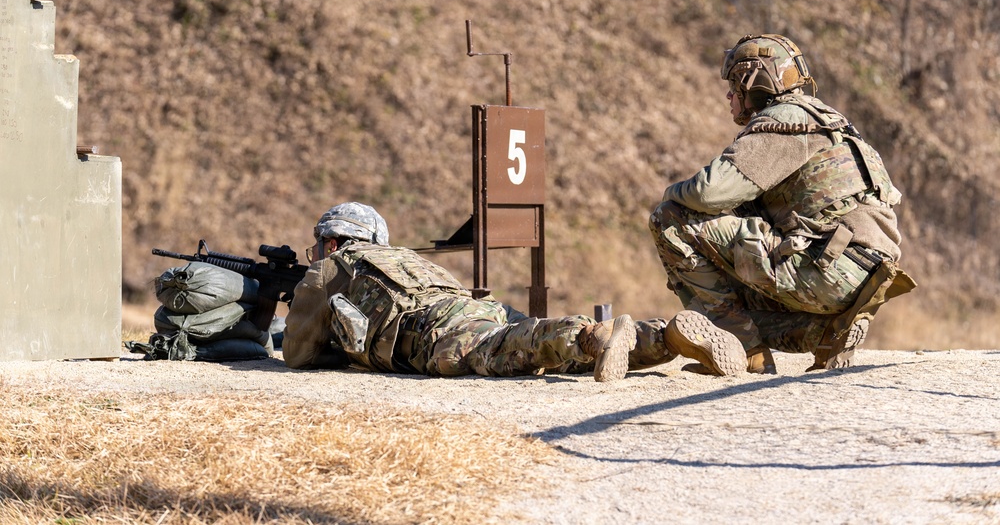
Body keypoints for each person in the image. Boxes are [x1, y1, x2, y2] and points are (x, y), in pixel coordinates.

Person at [649, 34, 916, 373]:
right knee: (728, 289)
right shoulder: (831, 121)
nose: (730, 96)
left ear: (754, 82)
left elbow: (709, 192)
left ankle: (742, 351)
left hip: (827, 266)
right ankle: (824, 335)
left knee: (670, 219)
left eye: (734, 85)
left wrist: (670, 192)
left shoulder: (784, 121)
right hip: (863, 275)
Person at [282, 202, 747, 380]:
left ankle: (591, 334)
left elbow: (298, 354)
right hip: (464, 306)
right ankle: (664, 336)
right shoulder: (399, 256)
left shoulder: (329, 270)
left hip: (433, 333)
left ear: (332, 240)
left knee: (512, 350)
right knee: (532, 345)